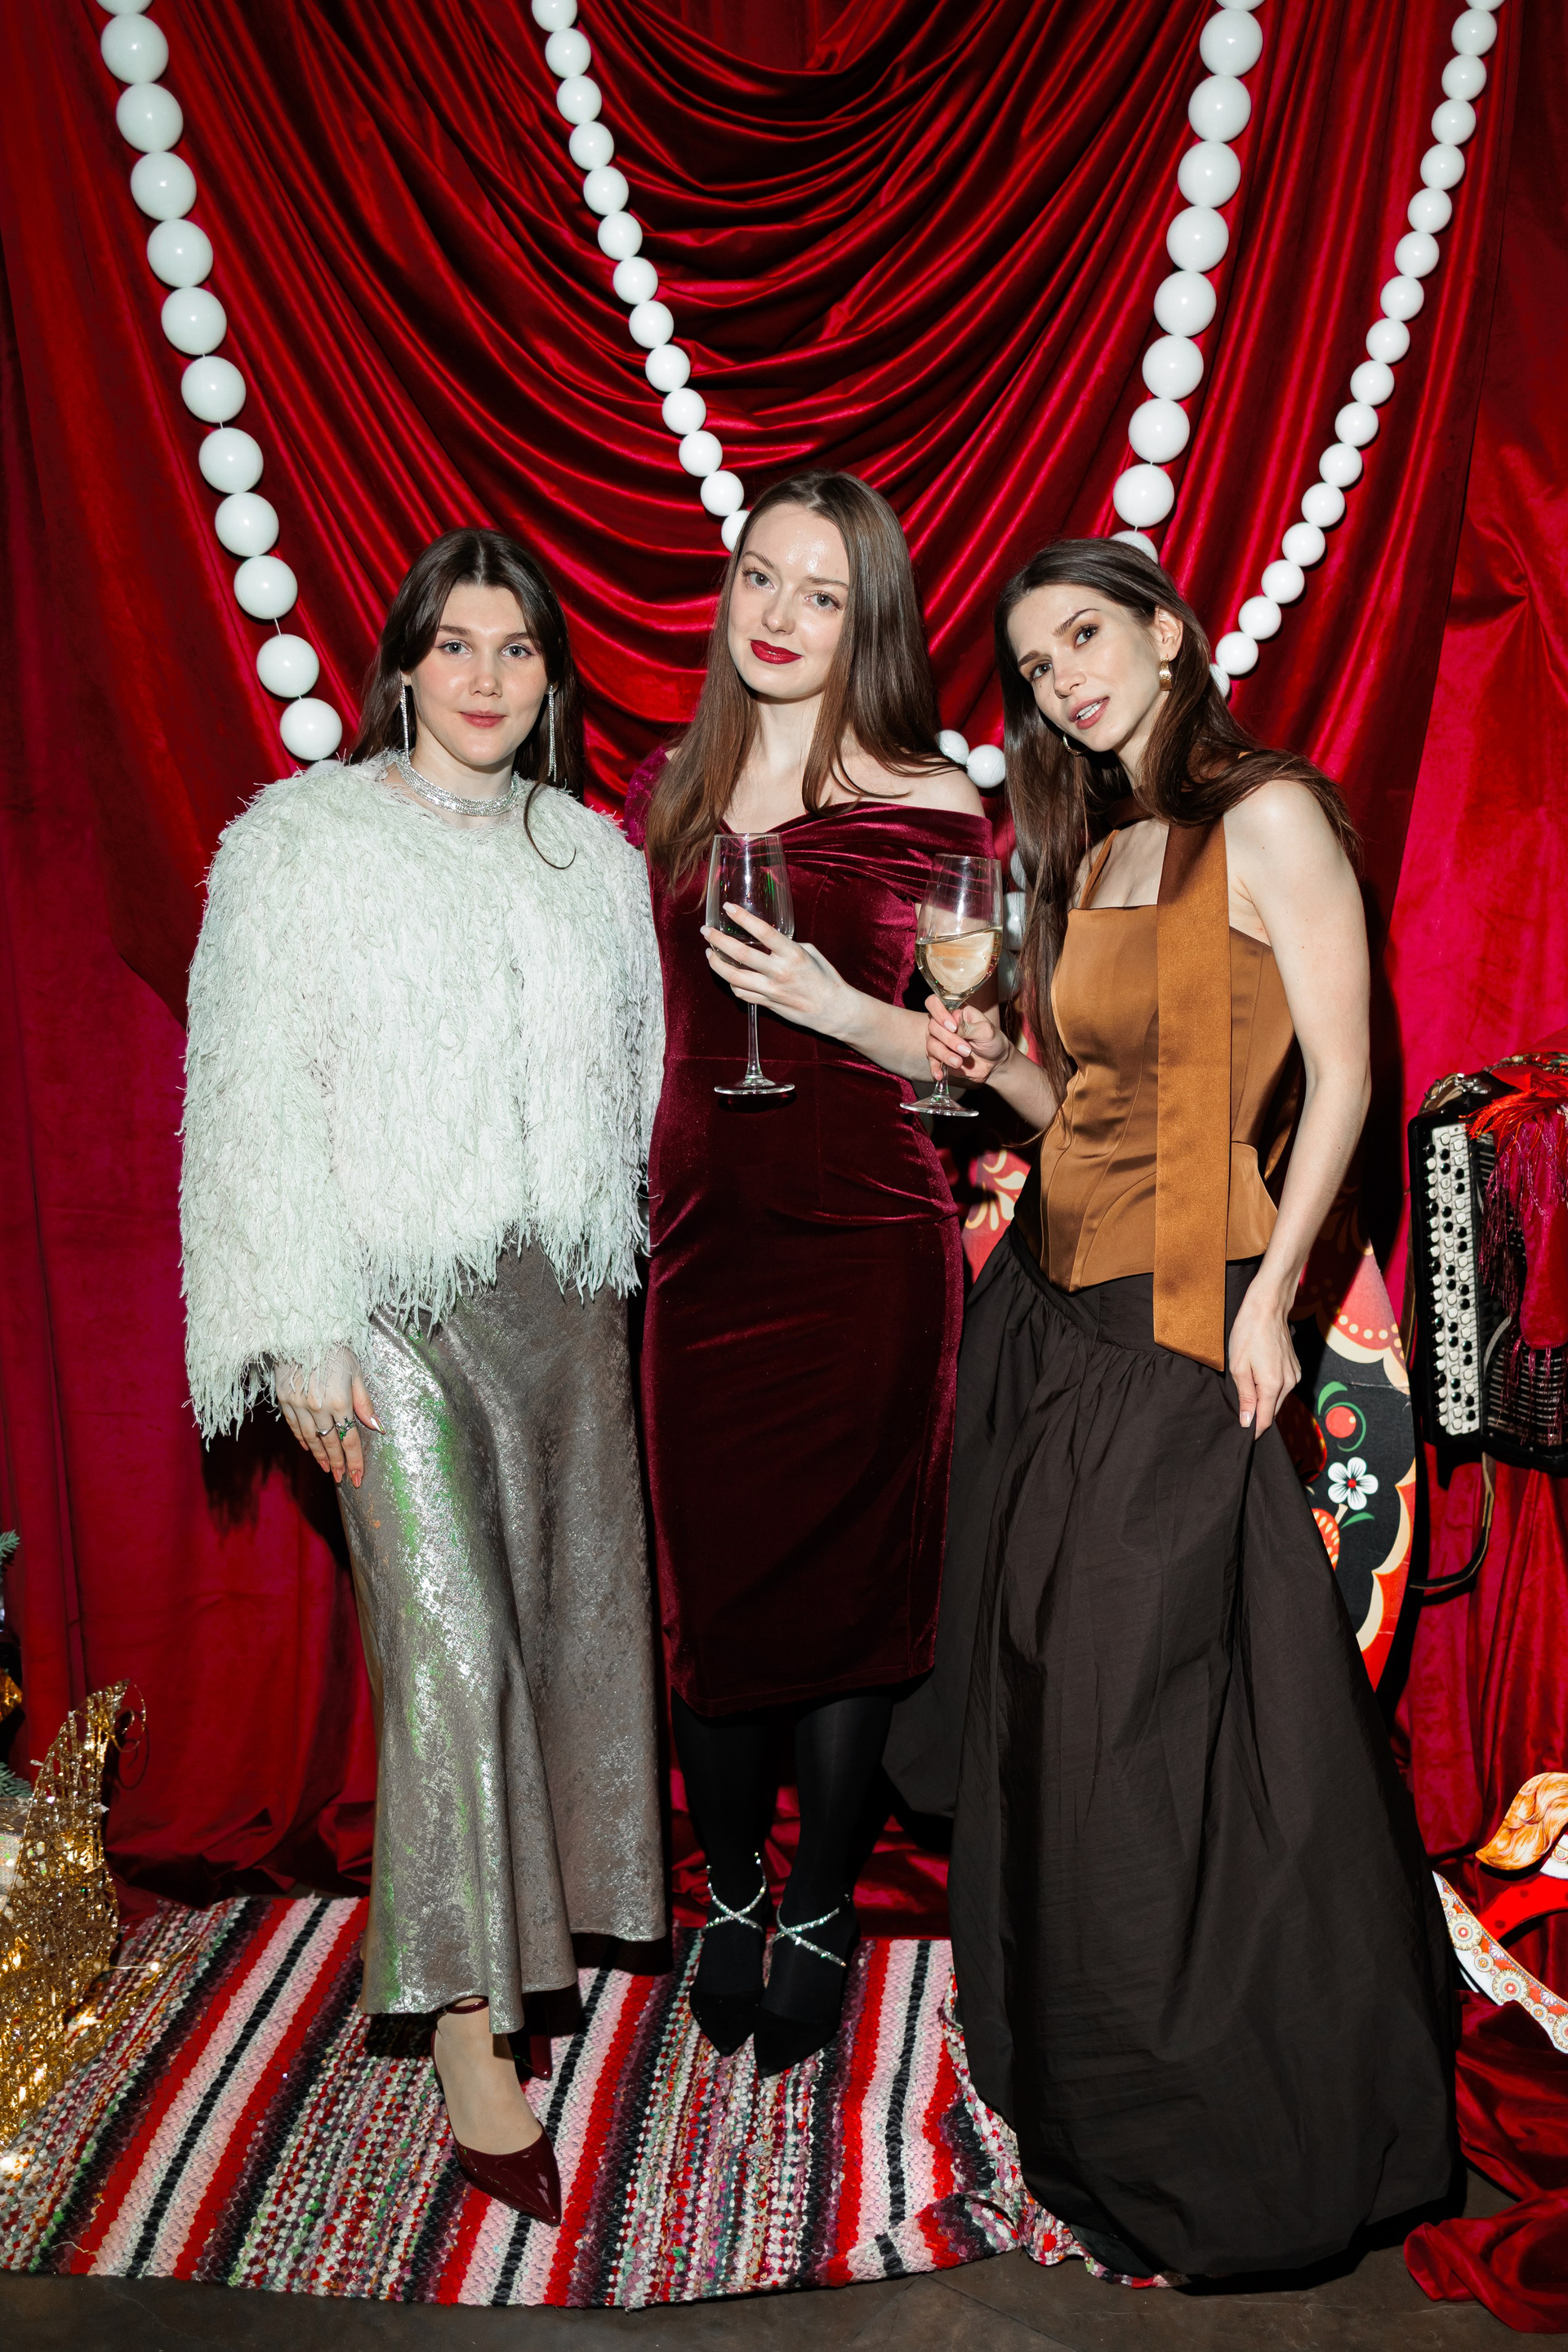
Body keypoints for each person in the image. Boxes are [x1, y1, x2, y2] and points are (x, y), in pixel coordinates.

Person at [892, 538, 1453, 2279]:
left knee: (1130, 1705)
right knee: (1045, 1694)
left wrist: (1274, 1299)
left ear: (1164, 632)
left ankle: (1235, 2125)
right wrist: (1000, 1070)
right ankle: (1077, 2083)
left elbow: (1346, 1077)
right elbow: (1096, 1104)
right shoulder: (1097, 845)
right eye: (1034, 662)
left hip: (1188, 1313)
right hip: (1053, 1307)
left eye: (1086, 634)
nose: (1064, 676)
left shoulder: (1266, 813)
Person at [180, 527, 666, 2224]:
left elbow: (640, 1083)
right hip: (387, 1308)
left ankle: (538, 1945)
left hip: (564, 1307)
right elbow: (249, 1090)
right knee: (451, 1659)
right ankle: (472, 2036)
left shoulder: (592, 858)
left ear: (550, 681)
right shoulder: (301, 845)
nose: (483, 676)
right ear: (402, 665)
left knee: (561, 1639)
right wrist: (296, 1321)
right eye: (454, 644)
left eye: (516, 649)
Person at [624, 471, 990, 2075]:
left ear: (869, 621)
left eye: (822, 594)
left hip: (866, 1246)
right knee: (712, 1599)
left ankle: (824, 1906)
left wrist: (839, 1009)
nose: (778, 615)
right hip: (703, 1250)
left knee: (846, 1595)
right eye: (760, 578)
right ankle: (732, 1890)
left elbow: (970, 1064)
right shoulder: (671, 789)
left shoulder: (934, 798)